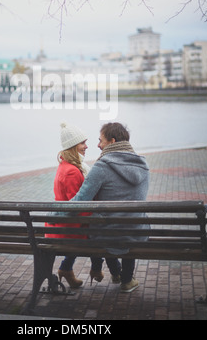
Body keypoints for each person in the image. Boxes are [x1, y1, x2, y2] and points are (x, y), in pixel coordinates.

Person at [69, 122, 150, 293]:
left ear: (112, 142)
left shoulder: (102, 166)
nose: (98, 145)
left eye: (101, 141)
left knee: (103, 224)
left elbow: (81, 200)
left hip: (107, 234)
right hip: (137, 233)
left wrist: (55, 212)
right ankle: (126, 280)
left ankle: (118, 274)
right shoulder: (143, 166)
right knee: (131, 222)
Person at [45, 122, 103, 288]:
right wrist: (96, 214)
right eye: (82, 143)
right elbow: (76, 208)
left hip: (62, 225)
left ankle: (66, 269)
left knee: (92, 230)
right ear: (72, 147)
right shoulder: (72, 171)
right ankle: (102, 270)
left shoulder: (64, 166)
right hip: (67, 228)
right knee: (98, 234)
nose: (86, 146)